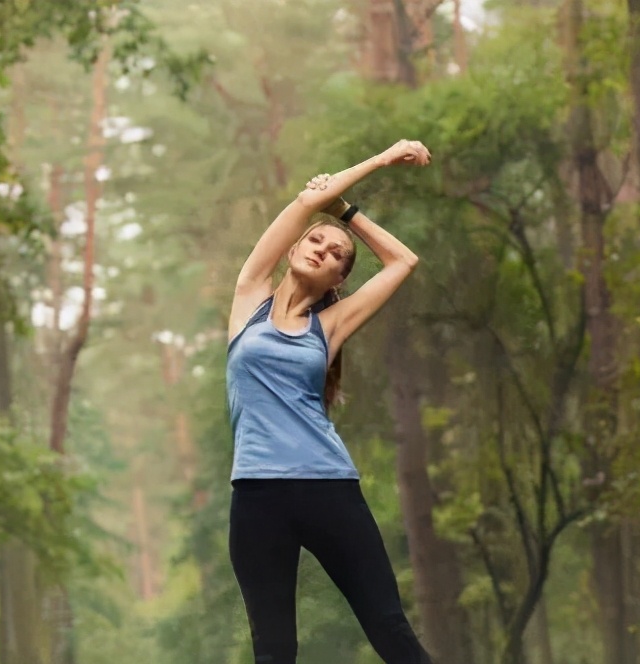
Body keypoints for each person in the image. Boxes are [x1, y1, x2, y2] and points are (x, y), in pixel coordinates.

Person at [225, 139, 435, 664]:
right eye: (316, 240)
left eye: (336, 254)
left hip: (329, 489)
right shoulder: (250, 297)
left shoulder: (331, 326)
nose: (322, 248)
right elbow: (303, 205)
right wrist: (334, 194)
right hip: (256, 496)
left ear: (339, 279)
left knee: (389, 626)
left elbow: (402, 260)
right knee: (274, 650)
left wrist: (346, 209)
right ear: (295, 250)